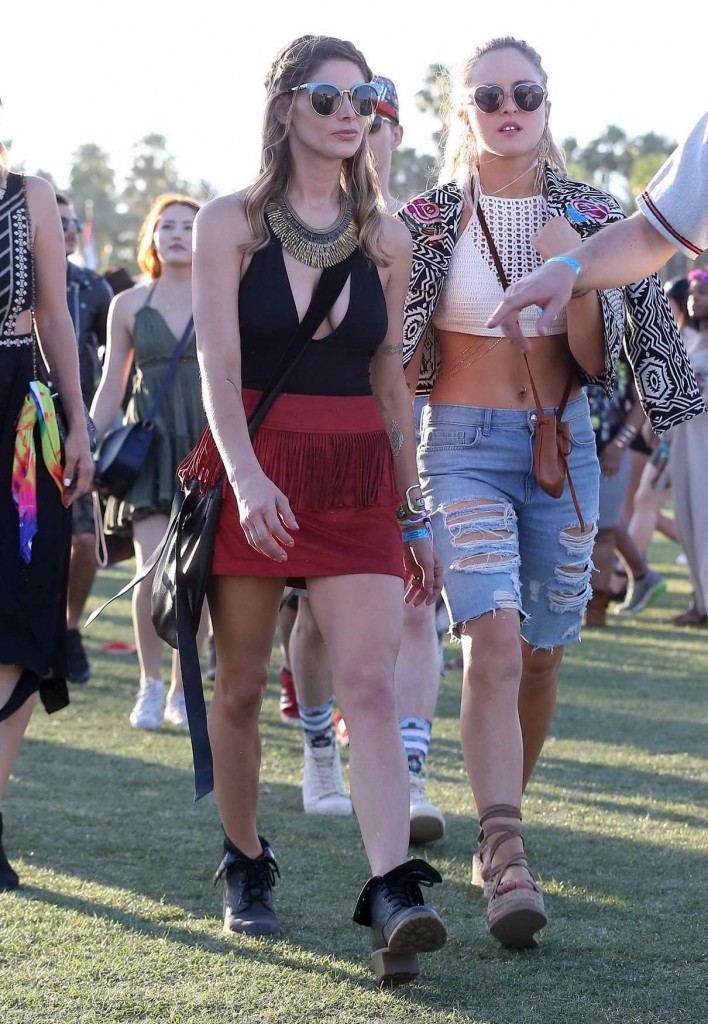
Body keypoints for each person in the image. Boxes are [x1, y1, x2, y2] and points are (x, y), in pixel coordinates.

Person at [397, 36, 699, 950]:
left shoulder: (596, 214)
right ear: (464, 114)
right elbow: (396, 352)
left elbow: (600, 364)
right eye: (487, 95)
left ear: (547, 103)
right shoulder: (427, 219)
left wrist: (571, 279)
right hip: (457, 447)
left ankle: (503, 825)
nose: (507, 106)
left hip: (561, 448)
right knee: (490, 635)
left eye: (524, 91)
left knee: (540, 655)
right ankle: (506, 848)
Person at [178, 36, 446, 986]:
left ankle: (390, 890)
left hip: (357, 474)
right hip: (257, 461)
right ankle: (247, 864)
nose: (350, 112)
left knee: (368, 684)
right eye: (328, 96)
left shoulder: (388, 237)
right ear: (286, 107)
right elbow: (218, 365)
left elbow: (389, 375)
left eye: (364, 97)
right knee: (241, 689)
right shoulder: (228, 223)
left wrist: (414, 509)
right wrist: (247, 479)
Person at [285, 75, 446, 843]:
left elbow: (407, 361)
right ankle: (320, 746)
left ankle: (406, 775)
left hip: (410, 434)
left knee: (416, 614)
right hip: (309, 439)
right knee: (314, 621)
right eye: (339, 108)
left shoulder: (422, 225)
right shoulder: (295, 216)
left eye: (376, 113)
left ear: (397, 132)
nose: (357, 123)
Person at [0, 140, 93, 890]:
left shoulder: (30, 192)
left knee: (21, 616)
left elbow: (57, 314)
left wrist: (82, 425)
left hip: (20, 427)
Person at [90, 194, 207, 730]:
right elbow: (112, 383)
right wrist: (87, 441)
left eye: (189, 225)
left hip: (209, 446)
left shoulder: (223, 296)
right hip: (152, 448)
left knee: (196, 574)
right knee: (151, 569)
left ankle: (186, 690)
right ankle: (150, 684)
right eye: (168, 226)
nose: (178, 234)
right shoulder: (129, 306)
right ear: (152, 238)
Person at [488, 112, 708, 344]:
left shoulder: (598, 207)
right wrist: (568, 266)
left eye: (527, 95)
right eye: (489, 97)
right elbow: (648, 237)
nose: (509, 108)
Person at [56, 193, 114, 683]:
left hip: (79, 425)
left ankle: (70, 627)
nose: (69, 230)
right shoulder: (19, 277)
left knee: (83, 535)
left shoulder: (94, 288)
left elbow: (115, 360)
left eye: (73, 222)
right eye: (59, 222)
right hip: (22, 424)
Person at [668, 269, 708, 626]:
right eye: (693, 292)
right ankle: (700, 603)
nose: (695, 299)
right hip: (684, 441)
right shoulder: (685, 338)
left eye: (703, 293)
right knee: (687, 518)